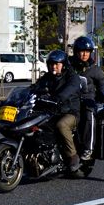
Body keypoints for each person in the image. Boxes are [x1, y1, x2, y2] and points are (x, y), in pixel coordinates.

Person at [30, 49, 84, 177]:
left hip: (70, 112)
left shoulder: (72, 77)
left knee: (61, 125)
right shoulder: (47, 77)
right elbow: (36, 87)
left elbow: (68, 90)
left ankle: (72, 157)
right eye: (51, 64)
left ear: (63, 64)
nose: (54, 67)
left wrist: (57, 98)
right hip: (52, 111)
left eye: (57, 64)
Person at [68, 36, 104, 160]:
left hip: (87, 100)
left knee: (89, 113)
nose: (84, 54)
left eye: (87, 51)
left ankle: (88, 148)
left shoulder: (94, 69)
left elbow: (103, 85)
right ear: (76, 52)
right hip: (70, 100)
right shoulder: (70, 67)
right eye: (82, 51)